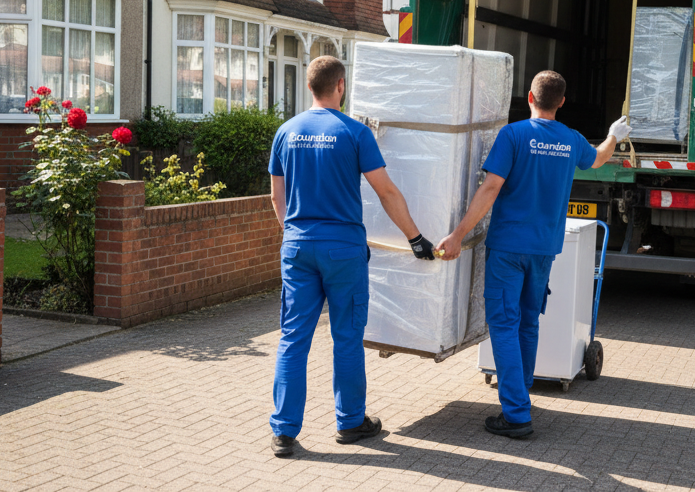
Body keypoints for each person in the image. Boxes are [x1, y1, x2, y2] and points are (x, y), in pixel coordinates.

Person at [437, 70, 629, 438]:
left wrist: (459, 234)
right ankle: (520, 395)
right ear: (561, 101)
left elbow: (491, 187)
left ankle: (516, 415)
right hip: (544, 250)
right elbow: (600, 159)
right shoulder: (571, 140)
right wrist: (613, 136)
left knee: (505, 325)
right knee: (528, 321)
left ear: (529, 97)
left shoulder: (513, 135)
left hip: (509, 246)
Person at [267, 55, 437, 457]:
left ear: (310, 87)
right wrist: (415, 238)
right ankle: (350, 422)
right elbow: (387, 192)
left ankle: (284, 432)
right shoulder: (355, 133)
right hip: (342, 250)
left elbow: (276, 196)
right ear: (340, 86)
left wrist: (294, 234)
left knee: (293, 339)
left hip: (297, 245)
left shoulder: (286, 132)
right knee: (345, 337)